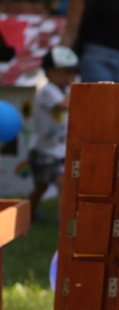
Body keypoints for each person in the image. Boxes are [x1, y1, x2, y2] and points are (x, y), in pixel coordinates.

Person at [27, 45, 77, 214]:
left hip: (59, 149)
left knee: (63, 182)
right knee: (41, 186)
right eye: (66, 72)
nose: (70, 76)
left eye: (73, 71)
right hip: (43, 150)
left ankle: (62, 220)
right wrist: (75, 86)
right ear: (50, 72)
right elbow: (65, 105)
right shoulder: (48, 90)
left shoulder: (67, 90)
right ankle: (28, 212)